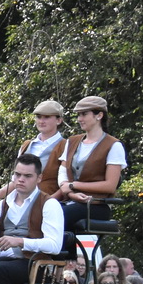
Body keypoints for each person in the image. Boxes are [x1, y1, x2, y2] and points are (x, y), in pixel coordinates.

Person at [0, 156, 66, 284]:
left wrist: (20, 242)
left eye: (27, 176)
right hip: (2, 262)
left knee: (0, 271)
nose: (20, 179)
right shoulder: (0, 206)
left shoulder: (49, 204)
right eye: (17, 174)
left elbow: (54, 245)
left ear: (39, 178)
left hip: (33, 263)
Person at [53, 95, 127, 229]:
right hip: (70, 200)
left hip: (96, 205)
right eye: (78, 115)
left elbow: (110, 185)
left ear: (99, 115)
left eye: (84, 114)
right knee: (40, 213)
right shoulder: (72, 141)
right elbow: (62, 173)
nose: (79, 119)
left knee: (56, 217)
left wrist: (73, 185)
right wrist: (71, 193)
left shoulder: (113, 145)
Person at [0, 101, 68, 201]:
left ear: (59, 120)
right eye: (38, 117)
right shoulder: (26, 145)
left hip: (49, 202)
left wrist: (48, 203)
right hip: (19, 202)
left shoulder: (66, 146)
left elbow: (66, 183)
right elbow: (15, 181)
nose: (41, 121)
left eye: (47, 117)